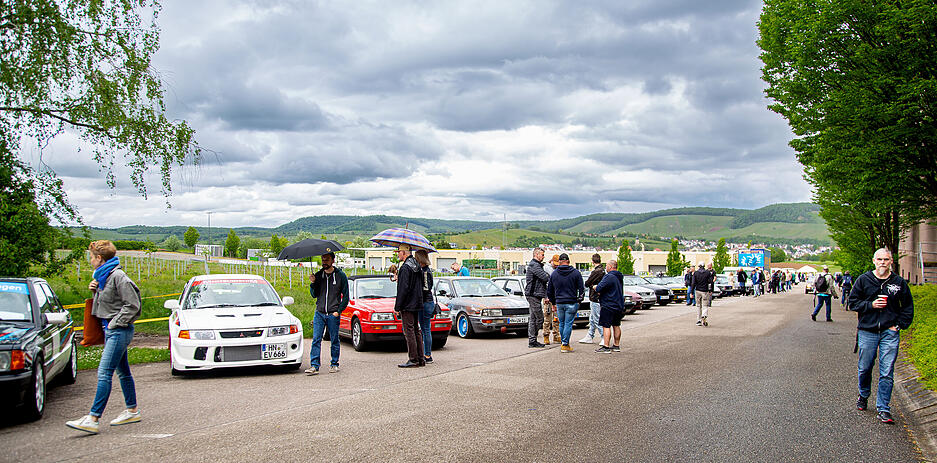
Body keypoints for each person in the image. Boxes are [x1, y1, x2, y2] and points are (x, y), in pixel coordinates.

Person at [67, 241, 142, 434]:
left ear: (99, 258)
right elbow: (110, 302)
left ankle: (93, 418)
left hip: (118, 331)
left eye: (91, 257)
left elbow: (133, 305)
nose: (90, 260)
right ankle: (132, 410)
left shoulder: (118, 276)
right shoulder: (104, 277)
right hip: (111, 330)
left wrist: (115, 323)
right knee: (123, 371)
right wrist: (95, 291)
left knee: (104, 373)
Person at [848, 248, 914, 424]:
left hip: (889, 332)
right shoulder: (864, 280)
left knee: (887, 371)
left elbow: (907, 306)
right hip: (867, 331)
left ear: (891, 261)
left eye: (886, 259)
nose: (883, 262)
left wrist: (899, 325)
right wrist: (871, 305)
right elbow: (852, 302)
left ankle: (883, 408)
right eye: (879, 259)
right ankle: (863, 394)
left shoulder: (898, 282)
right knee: (865, 368)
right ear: (874, 261)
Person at [305, 252, 349, 375]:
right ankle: (314, 365)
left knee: (334, 339)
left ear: (333, 261)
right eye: (323, 259)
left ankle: (334, 363)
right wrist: (313, 283)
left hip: (333, 313)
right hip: (319, 312)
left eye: (327, 259)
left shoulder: (340, 276)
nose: (324, 262)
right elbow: (314, 295)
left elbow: (346, 296)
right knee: (316, 339)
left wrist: (338, 311)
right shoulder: (319, 275)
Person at [394, 244, 425, 367]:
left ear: (404, 252)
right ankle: (420, 358)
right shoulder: (417, 265)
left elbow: (403, 289)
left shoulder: (405, 267)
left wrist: (398, 306)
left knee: (409, 331)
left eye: (399, 252)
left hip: (407, 304)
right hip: (417, 302)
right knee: (416, 330)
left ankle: (413, 359)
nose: (397, 254)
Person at [546, 253, 584, 352]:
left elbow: (549, 290)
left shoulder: (554, 274)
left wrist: (553, 302)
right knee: (568, 323)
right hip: (571, 301)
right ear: (568, 261)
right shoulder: (576, 273)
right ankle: (565, 344)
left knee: (562, 323)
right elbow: (581, 288)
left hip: (559, 302)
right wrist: (579, 300)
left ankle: (564, 342)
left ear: (559, 262)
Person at [593, 260, 624, 353]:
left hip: (608, 304)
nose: (605, 267)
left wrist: (595, 287)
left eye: (606, 265)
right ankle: (616, 345)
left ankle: (606, 346)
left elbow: (599, 288)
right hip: (618, 304)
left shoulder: (609, 276)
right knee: (616, 325)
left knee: (606, 326)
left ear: (610, 266)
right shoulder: (619, 276)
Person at [414, 250, 436, 364]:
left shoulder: (425, 271)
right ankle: (426, 354)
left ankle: (427, 355)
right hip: (428, 302)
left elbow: (426, 289)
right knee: (425, 329)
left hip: (424, 303)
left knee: (425, 329)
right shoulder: (426, 270)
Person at [524, 248, 549, 348]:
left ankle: (532, 340)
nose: (543, 257)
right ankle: (532, 338)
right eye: (542, 255)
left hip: (535, 294)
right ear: (536, 255)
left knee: (533, 318)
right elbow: (545, 277)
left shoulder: (537, 265)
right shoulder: (534, 265)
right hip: (533, 294)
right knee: (539, 318)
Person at [579, 253, 605, 345]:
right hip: (599, 297)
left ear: (593, 261)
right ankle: (590, 335)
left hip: (595, 297)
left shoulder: (596, 272)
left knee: (596, 318)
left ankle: (604, 337)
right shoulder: (603, 271)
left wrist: (590, 285)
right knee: (592, 319)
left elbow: (587, 283)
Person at [542, 255, 562, 345]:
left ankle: (556, 336)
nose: (556, 266)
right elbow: (544, 285)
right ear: (552, 261)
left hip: (556, 297)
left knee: (556, 318)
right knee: (547, 317)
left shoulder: (558, 269)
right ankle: (546, 336)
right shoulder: (546, 269)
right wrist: (546, 296)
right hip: (548, 297)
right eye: (556, 264)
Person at [692, 262, 714, 327]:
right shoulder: (707, 273)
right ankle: (704, 315)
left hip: (698, 291)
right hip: (705, 291)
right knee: (705, 305)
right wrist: (711, 290)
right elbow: (711, 282)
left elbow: (693, 283)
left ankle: (699, 320)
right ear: (704, 266)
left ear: (698, 266)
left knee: (698, 306)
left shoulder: (695, 273)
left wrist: (691, 292)